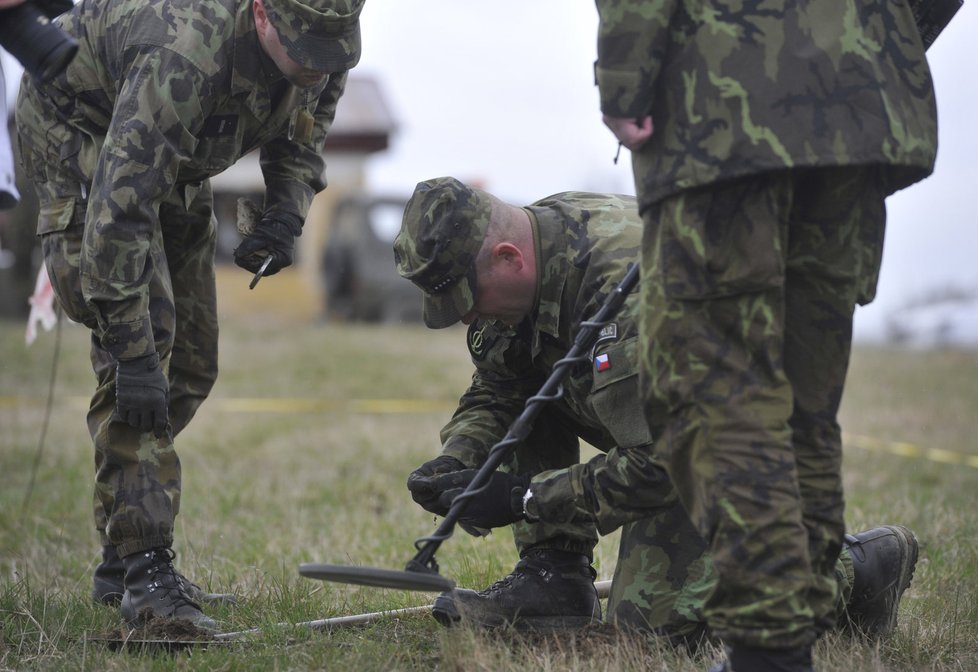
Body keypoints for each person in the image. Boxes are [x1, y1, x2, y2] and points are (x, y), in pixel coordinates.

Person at [395, 176, 919, 648]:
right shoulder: (532, 256)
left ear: (510, 258)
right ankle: (553, 579)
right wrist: (457, 460)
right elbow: (500, 385)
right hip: (655, 425)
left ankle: (855, 570)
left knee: (657, 635)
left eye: (468, 295)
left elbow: (663, 463)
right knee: (531, 389)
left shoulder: (631, 299)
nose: (465, 315)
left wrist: (522, 497)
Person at [591, 2, 938, 670]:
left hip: (723, 110)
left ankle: (768, 649)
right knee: (803, 405)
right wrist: (861, 42)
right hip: (860, 109)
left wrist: (624, 84)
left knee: (712, 391)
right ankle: (790, 634)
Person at [15, 0, 364, 630]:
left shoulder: (325, 41)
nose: (316, 67)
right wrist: (133, 352)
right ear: (261, 14)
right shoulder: (183, 53)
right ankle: (146, 576)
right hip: (83, 130)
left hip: (176, 154)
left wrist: (286, 211)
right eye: (303, 52)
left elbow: (307, 125)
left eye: (330, 53)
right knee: (146, 354)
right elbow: (118, 215)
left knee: (193, 361)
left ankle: (120, 563)